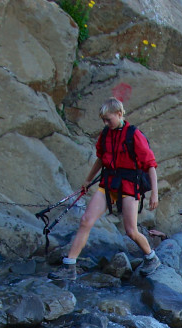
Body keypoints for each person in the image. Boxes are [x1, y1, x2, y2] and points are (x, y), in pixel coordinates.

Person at [58, 98, 160, 280]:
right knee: (86, 220)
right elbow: (100, 159)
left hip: (129, 186)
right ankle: (69, 266)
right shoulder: (106, 134)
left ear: (119, 114)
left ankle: (151, 258)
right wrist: (88, 180)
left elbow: (150, 165)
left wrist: (154, 194)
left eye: (108, 119)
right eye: (103, 120)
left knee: (131, 231)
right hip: (109, 184)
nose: (105, 123)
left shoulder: (133, 135)